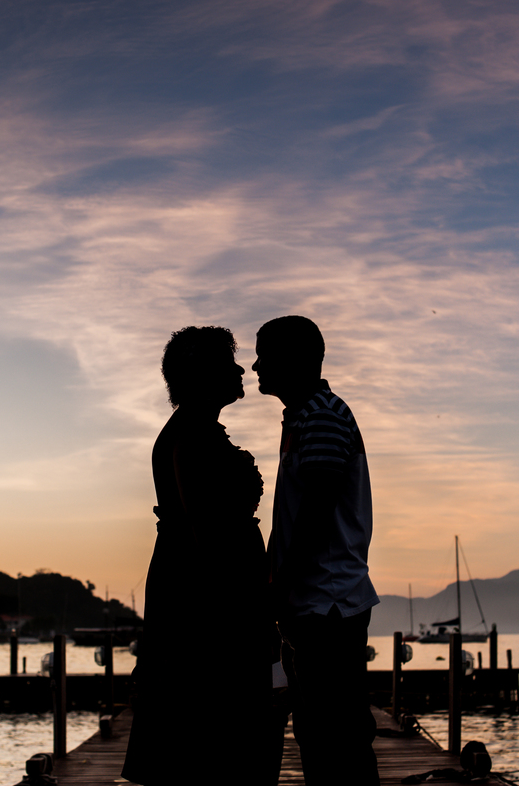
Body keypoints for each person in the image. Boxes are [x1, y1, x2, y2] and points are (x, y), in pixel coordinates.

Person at [122, 326, 278, 786]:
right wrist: (252, 616)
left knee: (208, 745)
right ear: (203, 374)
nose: (239, 368)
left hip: (202, 599)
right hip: (206, 611)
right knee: (213, 741)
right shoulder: (190, 437)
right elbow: (208, 537)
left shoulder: (198, 432)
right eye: (227, 362)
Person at [253, 315, 380, 786]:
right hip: (315, 601)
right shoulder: (305, 416)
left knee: (336, 734)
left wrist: (277, 587)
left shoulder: (322, 415)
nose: (255, 365)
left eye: (265, 354)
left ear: (296, 359)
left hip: (327, 603)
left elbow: (317, 513)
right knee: (319, 731)